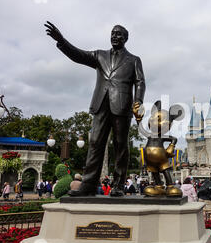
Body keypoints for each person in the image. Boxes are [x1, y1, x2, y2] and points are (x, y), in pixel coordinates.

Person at [45, 22, 146, 198]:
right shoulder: (100, 55)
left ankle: (119, 185)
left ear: (126, 39)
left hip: (122, 106)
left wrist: (138, 101)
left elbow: (140, 82)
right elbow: (78, 55)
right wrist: (61, 41)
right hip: (101, 104)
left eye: (119, 34)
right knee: (95, 143)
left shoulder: (134, 60)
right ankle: (89, 184)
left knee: (121, 146)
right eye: (113, 33)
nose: (115, 36)